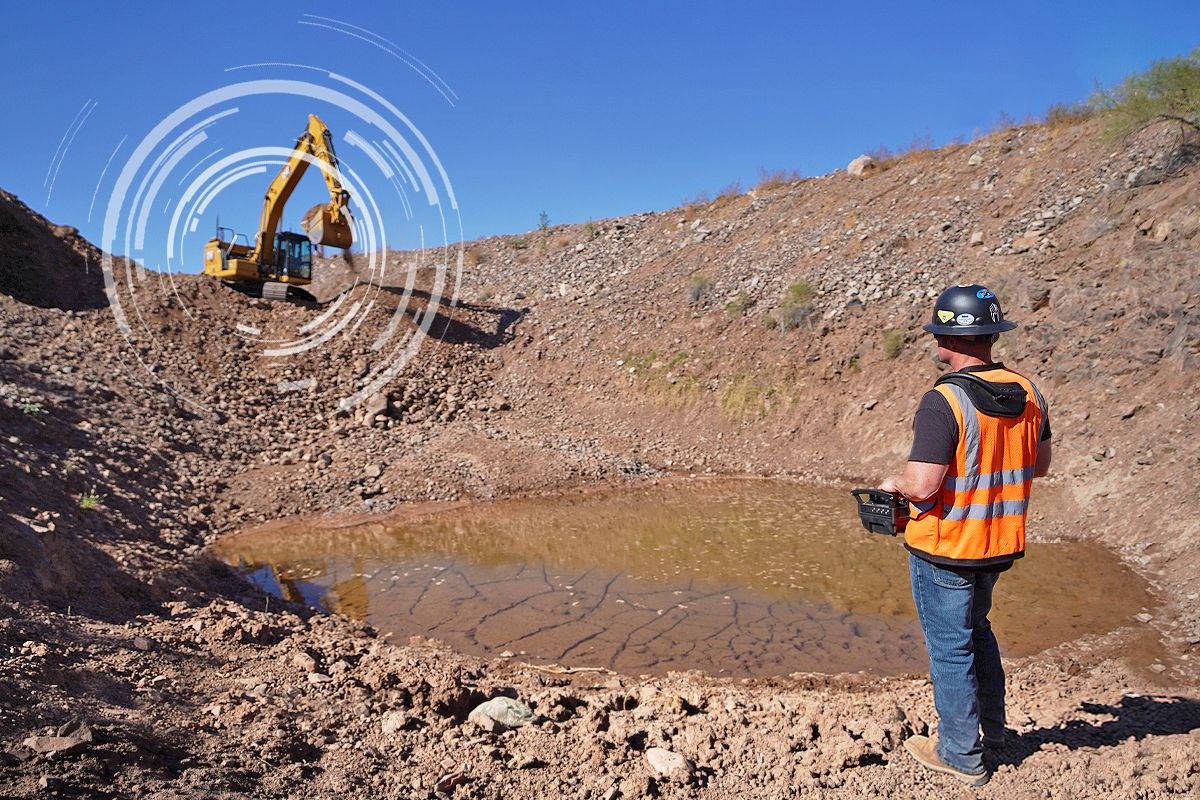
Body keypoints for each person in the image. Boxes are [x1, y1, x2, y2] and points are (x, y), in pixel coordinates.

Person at [880, 283, 1052, 787]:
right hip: (998, 543)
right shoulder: (1028, 391)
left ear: (946, 339)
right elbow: (1038, 465)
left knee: (950, 646)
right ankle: (993, 732)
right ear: (991, 334)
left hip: (946, 547)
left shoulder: (944, 400)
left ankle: (959, 753)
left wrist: (895, 485)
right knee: (979, 630)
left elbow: (923, 485)